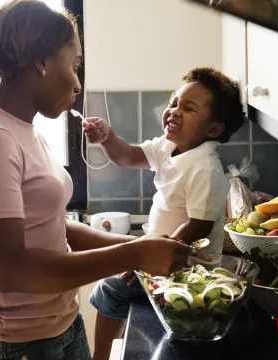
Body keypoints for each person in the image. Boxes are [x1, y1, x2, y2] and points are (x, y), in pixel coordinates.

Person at [0, 1, 206, 359]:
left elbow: (55, 228)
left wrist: (133, 248)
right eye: (75, 64)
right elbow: (9, 270)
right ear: (42, 62)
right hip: (9, 343)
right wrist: (133, 252)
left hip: (59, 327)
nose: (78, 81)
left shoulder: (24, 132)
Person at [83, 67, 246, 360]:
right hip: (158, 256)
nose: (174, 111)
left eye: (188, 108)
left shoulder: (205, 169)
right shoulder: (168, 146)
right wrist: (108, 137)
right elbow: (127, 156)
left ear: (213, 130)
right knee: (115, 284)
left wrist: (146, 259)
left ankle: (100, 356)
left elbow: (198, 227)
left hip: (186, 269)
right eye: (174, 103)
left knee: (109, 288)